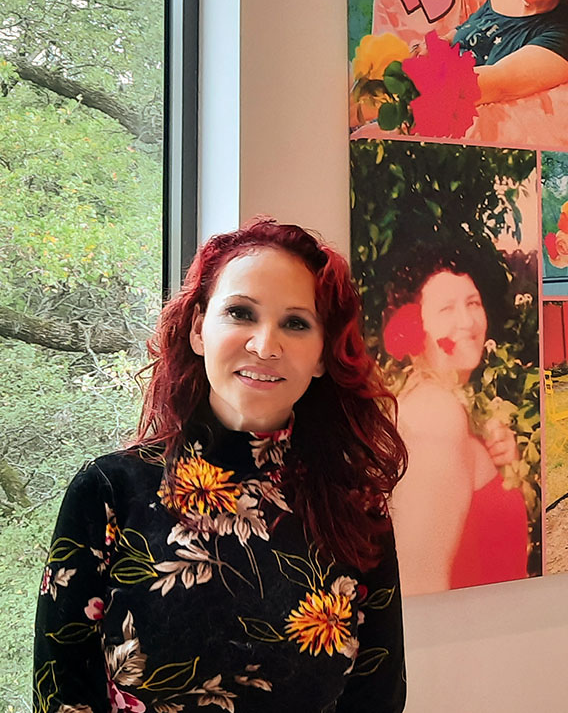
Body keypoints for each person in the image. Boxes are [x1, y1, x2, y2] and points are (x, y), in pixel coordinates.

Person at [34, 218, 408, 713]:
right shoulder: (110, 492)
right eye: (240, 313)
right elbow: (62, 696)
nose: (264, 345)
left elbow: (377, 696)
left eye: (296, 323)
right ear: (197, 329)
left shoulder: (355, 504)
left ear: (322, 354)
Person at [382, 247, 528, 594]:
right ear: (416, 325)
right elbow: (420, 585)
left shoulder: (450, 406)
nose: (467, 321)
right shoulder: (435, 415)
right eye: (447, 308)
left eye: (473, 303)